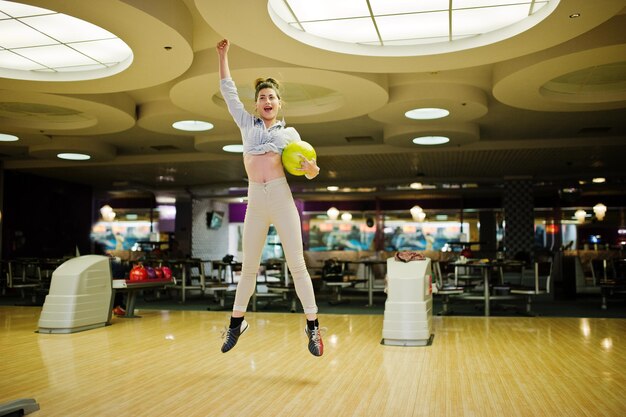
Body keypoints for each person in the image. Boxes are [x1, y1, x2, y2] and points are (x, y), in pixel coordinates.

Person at [216, 39, 324, 357]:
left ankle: (314, 327)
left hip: (280, 196)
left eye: (272, 96)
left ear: (279, 104)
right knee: (249, 267)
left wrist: (311, 168)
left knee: (297, 264)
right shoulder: (246, 124)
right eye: (262, 97)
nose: (267, 100)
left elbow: (311, 171)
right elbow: (227, 91)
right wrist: (223, 56)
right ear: (256, 104)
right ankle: (236, 324)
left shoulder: (290, 135)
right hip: (255, 199)